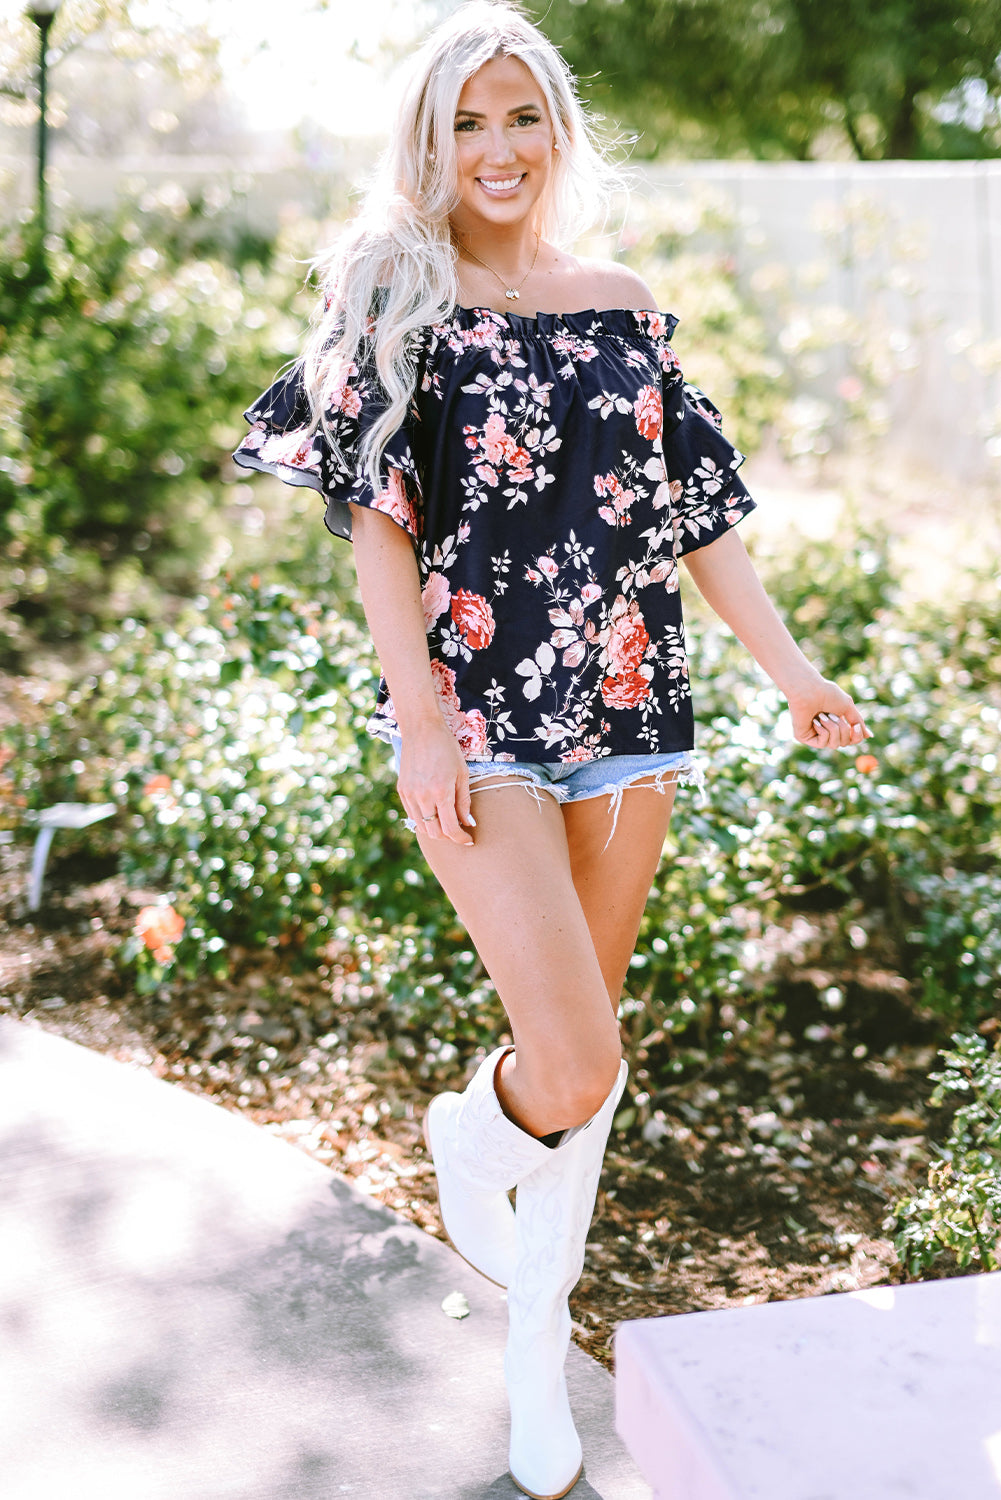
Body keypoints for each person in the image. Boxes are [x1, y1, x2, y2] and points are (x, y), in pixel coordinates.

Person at [234, 4, 871, 1494]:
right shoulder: (395, 292)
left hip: (626, 711)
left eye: (521, 116)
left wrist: (792, 672)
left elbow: (697, 517)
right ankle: (471, 1135)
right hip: (477, 720)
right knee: (571, 1059)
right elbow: (377, 526)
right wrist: (420, 725)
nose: (498, 147)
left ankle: (537, 1348)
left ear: (558, 130)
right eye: (467, 122)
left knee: (589, 1069)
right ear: (429, 140)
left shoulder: (622, 303)